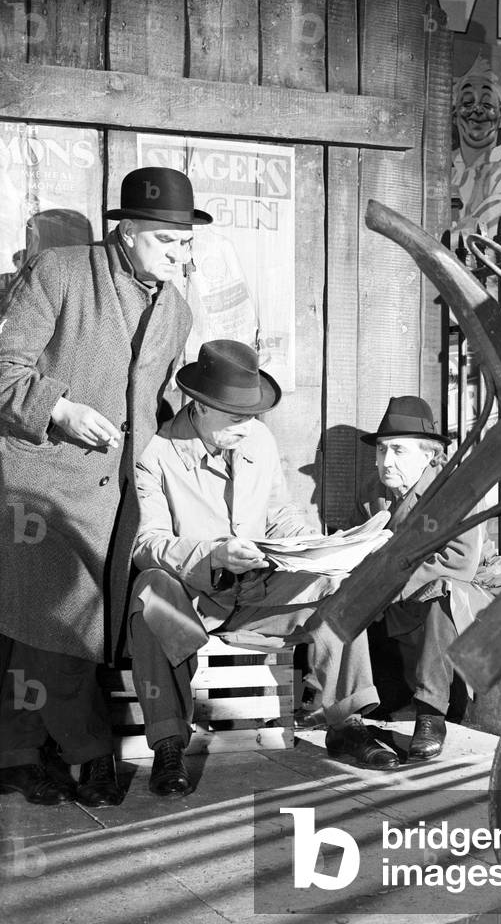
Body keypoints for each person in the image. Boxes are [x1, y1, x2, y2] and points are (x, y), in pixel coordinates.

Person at [0, 167, 210, 806]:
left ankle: (30, 755)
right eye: (167, 241)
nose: (179, 255)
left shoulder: (176, 310)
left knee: (70, 630)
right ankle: (90, 757)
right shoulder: (60, 272)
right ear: (127, 230)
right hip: (40, 488)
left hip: (117, 497)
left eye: (186, 243)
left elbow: (156, 402)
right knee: (59, 626)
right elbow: (4, 369)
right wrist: (60, 409)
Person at [129, 339, 398, 797]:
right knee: (150, 590)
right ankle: (169, 744)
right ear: (200, 406)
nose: (248, 426)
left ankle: (346, 724)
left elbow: (278, 514)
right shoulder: (155, 454)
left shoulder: (257, 439)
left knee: (341, 583)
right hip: (193, 599)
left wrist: (320, 547)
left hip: (258, 594)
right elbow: (147, 543)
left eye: (253, 415)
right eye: (237, 417)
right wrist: (213, 555)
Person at [357, 396, 501, 761]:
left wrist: (388, 589)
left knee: (441, 593)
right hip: (405, 594)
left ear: (429, 455)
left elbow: (459, 561)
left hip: (472, 591)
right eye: (381, 450)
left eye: (398, 450)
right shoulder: (372, 493)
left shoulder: (455, 490)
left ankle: (430, 715)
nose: (386, 461)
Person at [451, 55, 501, 238]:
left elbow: (480, 236)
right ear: (455, 115)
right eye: (468, 103)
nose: (478, 110)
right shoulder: (442, 167)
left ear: (500, 116)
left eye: (487, 104)